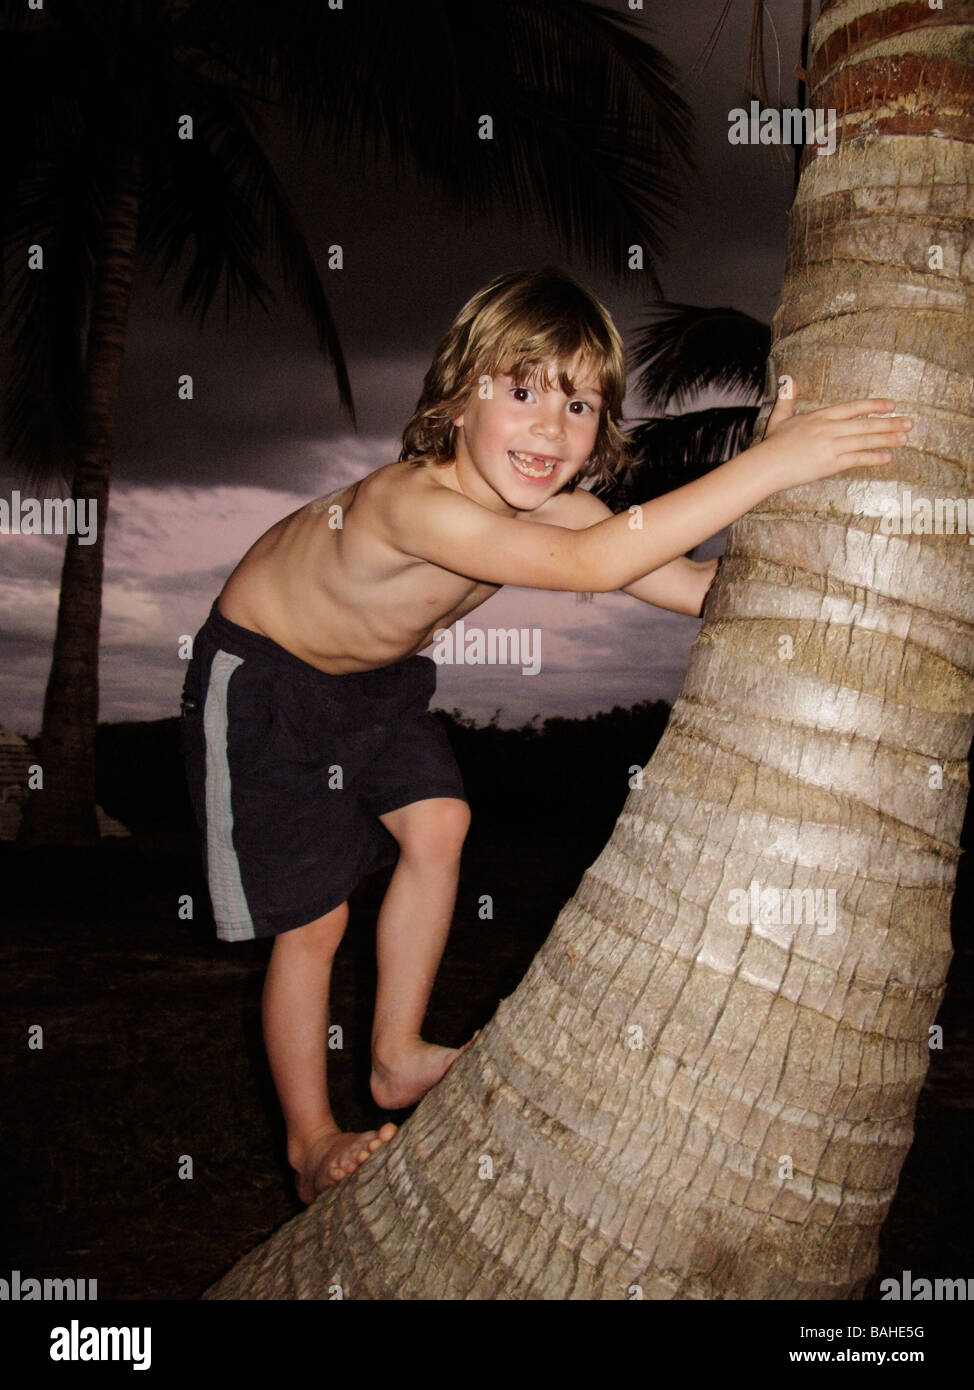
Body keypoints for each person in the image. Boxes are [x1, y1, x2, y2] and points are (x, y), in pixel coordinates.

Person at [181, 268, 912, 1203]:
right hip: (267, 685)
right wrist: (773, 463)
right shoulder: (411, 504)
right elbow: (592, 563)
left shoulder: (559, 508)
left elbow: (691, 587)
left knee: (439, 822)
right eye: (520, 391)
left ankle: (397, 1057)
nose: (548, 427)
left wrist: (789, 509)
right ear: (457, 397)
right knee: (314, 921)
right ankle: (310, 1140)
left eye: (577, 403)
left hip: (374, 687)